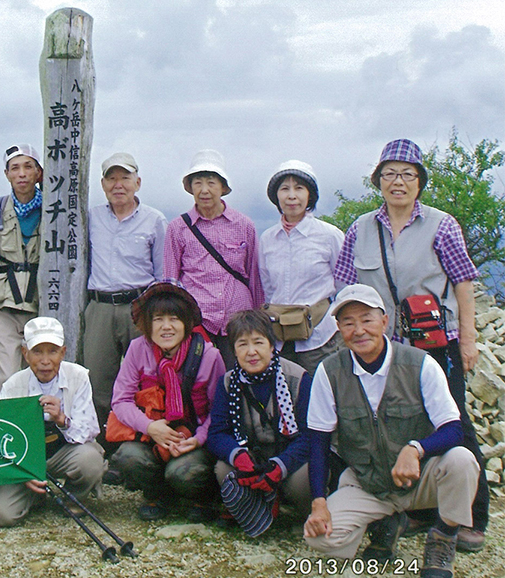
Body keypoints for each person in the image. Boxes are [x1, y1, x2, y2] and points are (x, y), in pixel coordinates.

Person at [333, 139, 487, 550]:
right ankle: (418, 511)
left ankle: (473, 516)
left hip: (438, 342)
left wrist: (468, 339)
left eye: (407, 174)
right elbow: (344, 285)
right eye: (389, 174)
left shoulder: (442, 224)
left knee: (453, 422)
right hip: (382, 346)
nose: (397, 182)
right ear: (377, 181)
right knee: (399, 421)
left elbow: (463, 281)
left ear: (420, 181)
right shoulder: (360, 229)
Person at [304, 284, 480, 578]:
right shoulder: (328, 372)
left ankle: (442, 539)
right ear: (338, 329)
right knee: (320, 539)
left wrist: (416, 449)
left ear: (385, 322)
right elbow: (318, 442)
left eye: (367, 320)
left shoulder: (420, 364)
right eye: (348, 322)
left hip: (420, 479)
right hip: (369, 484)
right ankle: (384, 524)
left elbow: (454, 428)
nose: (358, 330)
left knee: (462, 461)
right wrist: (319, 502)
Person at [108, 281, 226, 521]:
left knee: (183, 473)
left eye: (174, 319)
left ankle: (201, 497)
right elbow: (121, 401)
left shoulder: (209, 356)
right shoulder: (137, 349)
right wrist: (150, 427)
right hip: (151, 435)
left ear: (187, 323)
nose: (166, 327)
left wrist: (198, 439)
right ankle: (157, 494)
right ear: (147, 324)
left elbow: (220, 411)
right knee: (126, 457)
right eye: (158, 319)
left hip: (193, 439)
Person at [0, 317, 105, 527]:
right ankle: (34, 493)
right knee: (2, 515)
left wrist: (62, 419)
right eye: (37, 351)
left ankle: (74, 497)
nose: (45, 360)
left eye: (52, 351)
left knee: (91, 459)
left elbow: (90, 430)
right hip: (26, 459)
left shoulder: (78, 376)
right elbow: (4, 443)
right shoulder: (12, 387)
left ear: (63, 352)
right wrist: (23, 473)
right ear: (25, 353)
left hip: (65, 452)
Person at [84, 152, 167, 445]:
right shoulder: (90, 217)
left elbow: (162, 273)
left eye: (125, 177)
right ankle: (101, 446)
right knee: (97, 380)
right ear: (103, 183)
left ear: (138, 182)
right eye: (112, 178)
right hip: (100, 307)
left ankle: (138, 446)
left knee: (144, 380)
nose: (118, 184)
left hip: (139, 307)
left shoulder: (154, 220)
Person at [206, 310, 312, 533]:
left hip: (289, 457)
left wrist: (280, 467)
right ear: (234, 350)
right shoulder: (227, 382)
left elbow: (310, 436)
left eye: (258, 342)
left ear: (271, 345)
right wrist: (239, 456)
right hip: (253, 456)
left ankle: (306, 514)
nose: (251, 352)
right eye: (242, 344)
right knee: (223, 469)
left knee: (304, 479)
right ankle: (253, 510)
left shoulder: (298, 378)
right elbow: (217, 433)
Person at [164, 149, 264, 368]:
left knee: (239, 378)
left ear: (222, 187)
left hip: (238, 320)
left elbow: (254, 275)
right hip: (197, 322)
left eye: (211, 182)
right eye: (198, 183)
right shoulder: (177, 228)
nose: (204, 190)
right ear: (190, 187)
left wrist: (259, 321)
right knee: (197, 383)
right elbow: (171, 281)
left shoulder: (244, 225)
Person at [259, 161, 344, 375]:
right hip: (280, 339)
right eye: (284, 189)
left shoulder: (329, 235)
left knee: (322, 398)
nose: (291, 196)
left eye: (299, 188)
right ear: (276, 196)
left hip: (321, 338)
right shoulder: (268, 239)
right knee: (286, 399)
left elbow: (344, 285)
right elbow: (267, 287)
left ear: (310, 195)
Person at [0, 144, 43, 396]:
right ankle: (3, 427)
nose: (22, 174)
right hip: (3, 300)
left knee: (40, 372)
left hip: (42, 299)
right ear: (7, 174)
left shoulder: (53, 207)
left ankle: (41, 431)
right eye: (15, 168)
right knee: (5, 377)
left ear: (39, 172)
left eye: (28, 166)